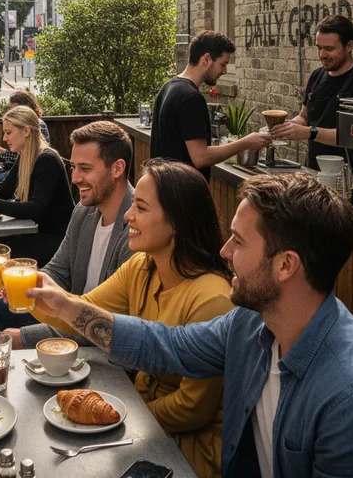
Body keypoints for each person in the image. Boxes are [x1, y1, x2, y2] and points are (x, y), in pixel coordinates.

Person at [28, 172, 353, 478]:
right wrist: (64, 306)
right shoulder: (253, 325)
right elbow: (166, 344)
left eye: (238, 241)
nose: (224, 251)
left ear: (286, 265)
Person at [33, 159, 232, 478]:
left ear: (176, 222)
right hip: (139, 425)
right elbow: (83, 313)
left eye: (140, 207)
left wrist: (118, 419)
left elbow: (192, 410)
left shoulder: (212, 298)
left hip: (188, 451)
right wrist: (32, 292)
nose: (128, 215)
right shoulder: (142, 266)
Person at [0, 120, 135, 346]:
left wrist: (26, 337)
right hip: (70, 311)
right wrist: (29, 286)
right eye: (74, 167)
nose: (75, 179)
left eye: (85, 168)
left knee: (10, 337)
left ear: (117, 168)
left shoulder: (136, 226)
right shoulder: (84, 211)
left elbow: (114, 323)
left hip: (101, 332)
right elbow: (60, 268)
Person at [270, 15, 353, 185]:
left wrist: (309, 132)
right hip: (315, 172)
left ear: (349, 46)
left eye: (329, 49)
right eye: (319, 48)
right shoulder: (317, 76)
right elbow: (304, 117)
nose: (322, 55)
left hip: (351, 180)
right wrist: (285, 127)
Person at [0, 105, 74, 266]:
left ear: (26, 131)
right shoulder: (25, 155)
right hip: (35, 231)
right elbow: (4, 188)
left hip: (58, 239)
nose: (4, 138)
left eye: (8, 132)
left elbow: (37, 209)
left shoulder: (47, 159)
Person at [150, 31, 268, 180]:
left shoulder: (168, 87)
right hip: (181, 194)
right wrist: (245, 143)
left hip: (163, 188)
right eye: (223, 64)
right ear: (206, 59)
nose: (224, 71)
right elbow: (201, 157)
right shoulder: (190, 97)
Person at [0, 90, 51, 186]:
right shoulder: (21, 125)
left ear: (25, 108)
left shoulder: (37, 125)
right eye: (9, 109)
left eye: (13, 108)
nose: (10, 112)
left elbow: (32, 157)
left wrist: (1, 151)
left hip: (28, 172)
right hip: (20, 168)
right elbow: (19, 157)